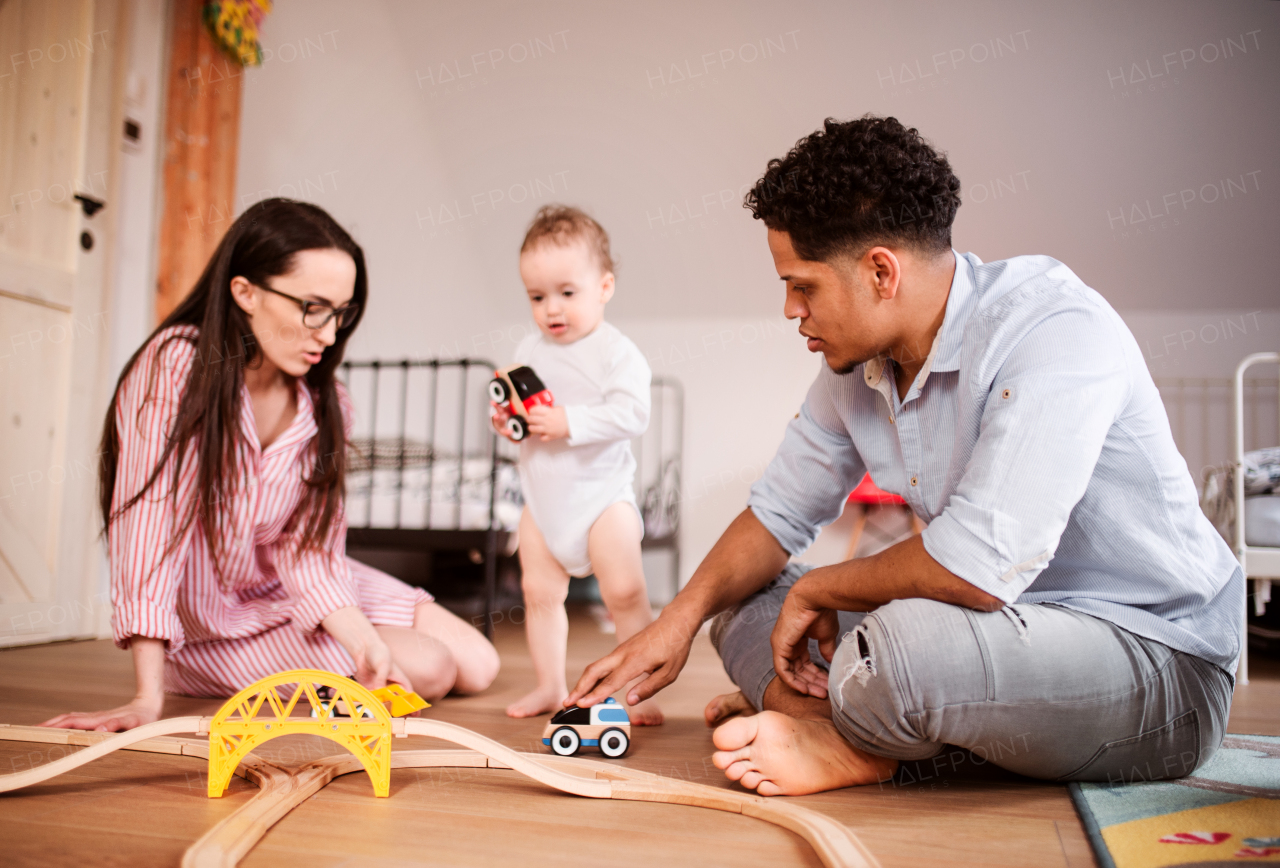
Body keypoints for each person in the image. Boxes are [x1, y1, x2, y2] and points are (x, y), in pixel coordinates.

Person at [565, 117, 1241, 795]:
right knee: (740, 604)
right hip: (991, 634)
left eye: (803, 286)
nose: (790, 309)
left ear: (880, 272)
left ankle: (859, 739)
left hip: (1158, 659)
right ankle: (836, 725)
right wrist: (672, 627)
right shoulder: (856, 370)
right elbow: (776, 516)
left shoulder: (1055, 329)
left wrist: (821, 587)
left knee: (903, 647)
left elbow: (977, 569)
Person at [44, 199, 499, 732]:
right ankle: (188, 671)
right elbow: (146, 532)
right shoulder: (175, 368)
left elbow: (309, 550)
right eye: (313, 307)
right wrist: (146, 697)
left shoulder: (327, 401)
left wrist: (361, 638)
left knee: (479, 663)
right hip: (211, 624)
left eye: (341, 312)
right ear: (246, 293)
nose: (328, 335)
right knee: (431, 665)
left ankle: (345, 649)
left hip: (284, 587)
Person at [498, 206, 662, 725]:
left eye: (567, 293)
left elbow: (633, 413)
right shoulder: (529, 349)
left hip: (601, 500)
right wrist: (505, 420)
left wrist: (569, 421)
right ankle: (550, 685)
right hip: (544, 503)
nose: (552, 308)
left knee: (625, 593)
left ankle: (637, 690)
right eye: (537, 296)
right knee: (539, 595)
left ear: (604, 286)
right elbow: (518, 407)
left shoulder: (616, 352)